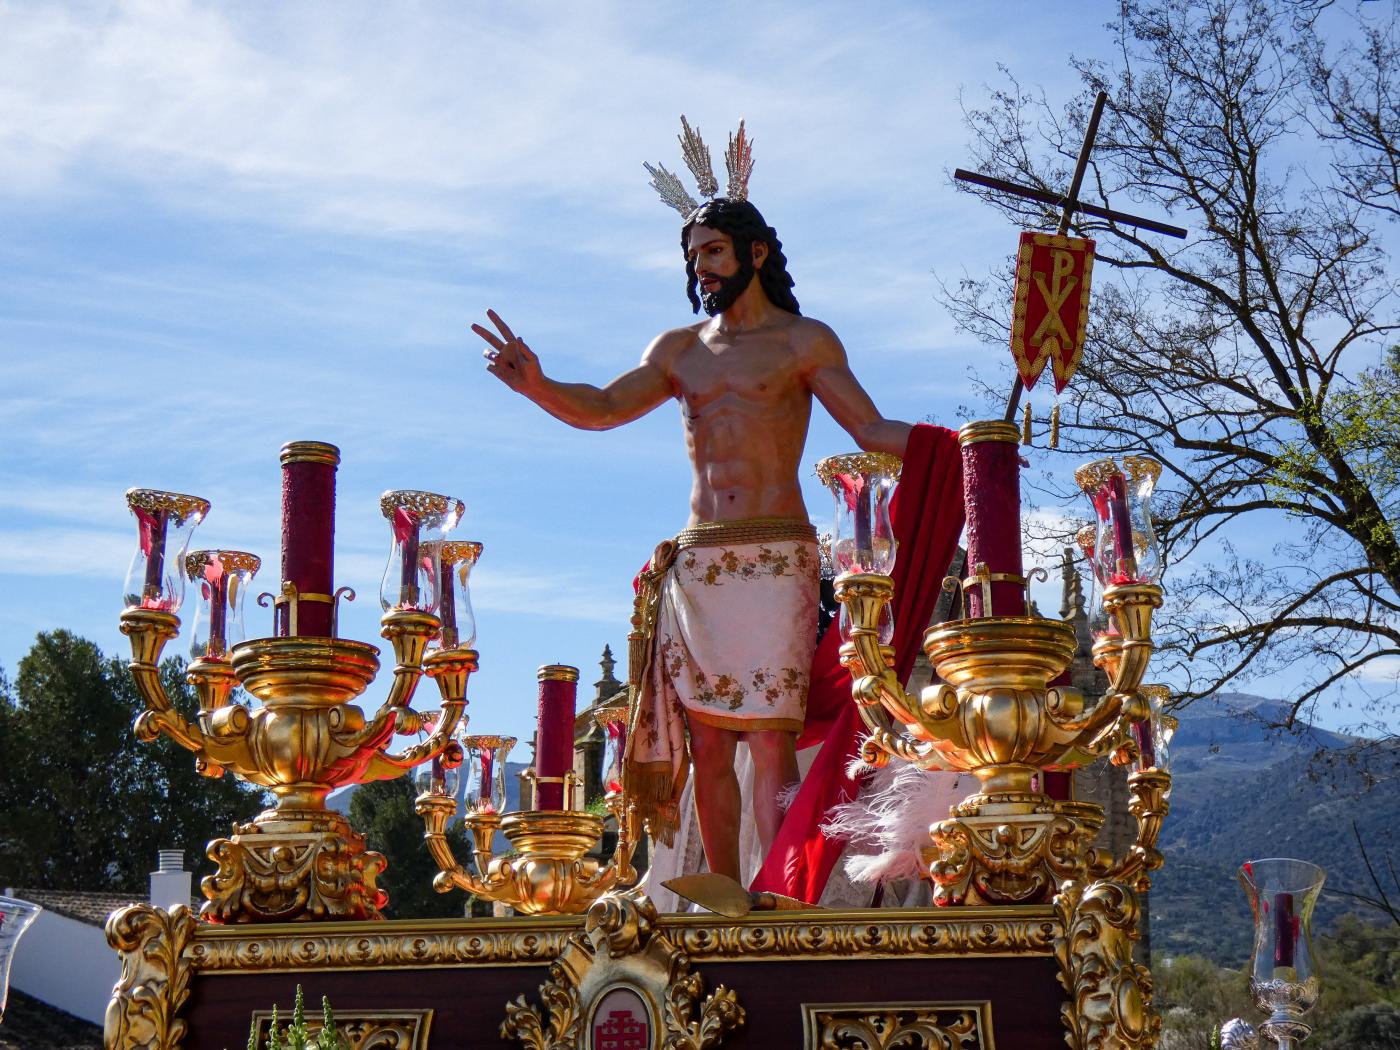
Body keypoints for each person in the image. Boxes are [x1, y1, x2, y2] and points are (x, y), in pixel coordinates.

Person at [473, 195, 911, 883]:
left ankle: (778, 891)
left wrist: (967, 449)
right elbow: (605, 408)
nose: (700, 267)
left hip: (777, 557)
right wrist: (538, 385)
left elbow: (871, 430)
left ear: (755, 253)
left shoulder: (804, 342)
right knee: (709, 742)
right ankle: (723, 893)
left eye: (713, 251)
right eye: (693, 255)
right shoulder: (678, 350)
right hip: (702, 559)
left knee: (769, 738)